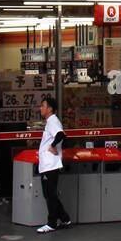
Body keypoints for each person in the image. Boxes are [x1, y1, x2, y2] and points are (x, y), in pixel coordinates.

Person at [37, 94, 72, 233]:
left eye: (43, 106)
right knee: (49, 194)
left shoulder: (53, 121)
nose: (41, 108)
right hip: (48, 165)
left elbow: (61, 135)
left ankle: (51, 223)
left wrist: (52, 146)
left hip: (50, 165)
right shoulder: (51, 121)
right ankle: (64, 218)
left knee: (50, 194)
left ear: (50, 109)